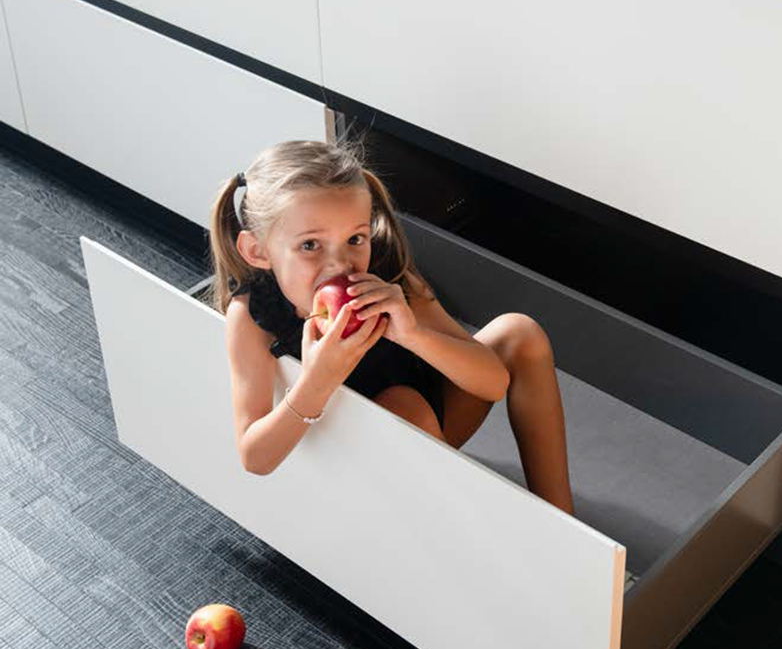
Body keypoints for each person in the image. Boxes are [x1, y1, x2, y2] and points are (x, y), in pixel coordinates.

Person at [208, 138, 576, 515]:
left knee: (520, 333)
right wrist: (317, 381)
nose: (341, 264)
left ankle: (564, 524)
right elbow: (255, 457)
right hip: (360, 464)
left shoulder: (388, 276)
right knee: (405, 409)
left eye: (355, 239)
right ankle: (444, 531)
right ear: (257, 251)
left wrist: (411, 333)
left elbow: (494, 383)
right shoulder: (252, 316)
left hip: (432, 424)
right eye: (310, 246)